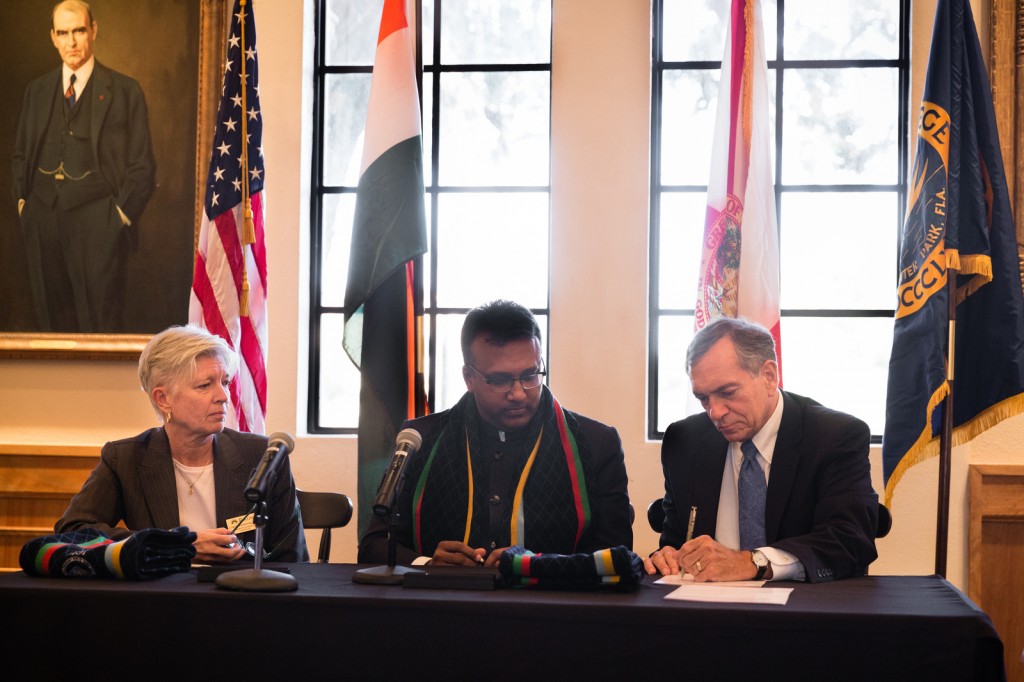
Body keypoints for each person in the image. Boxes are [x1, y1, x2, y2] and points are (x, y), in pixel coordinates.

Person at [358, 300, 632, 566]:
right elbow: (374, 545)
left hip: (552, 598)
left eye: (530, 375)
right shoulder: (418, 440)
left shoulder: (597, 443)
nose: (518, 393)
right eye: (500, 380)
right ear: (469, 378)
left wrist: (539, 566)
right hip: (444, 596)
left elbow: (618, 555)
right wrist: (428, 564)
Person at [645, 316, 878, 582]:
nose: (715, 412)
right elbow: (676, 542)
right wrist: (668, 556)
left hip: (803, 603)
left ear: (769, 376)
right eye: (703, 398)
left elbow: (850, 540)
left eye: (728, 392)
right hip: (705, 602)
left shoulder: (833, 436)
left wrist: (752, 562)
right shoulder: (685, 440)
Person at [56, 325, 308, 563]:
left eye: (225, 382)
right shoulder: (125, 458)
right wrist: (175, 545)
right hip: (161, 590)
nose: (223, 396)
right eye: (205, 385)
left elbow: (293, 557)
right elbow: (72, 531)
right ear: (163, 399)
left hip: (239, 591)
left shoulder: (263, 455)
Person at [11, 0, 156, 332]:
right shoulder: (37, 91)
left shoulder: (125, 91)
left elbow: (142, 166)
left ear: (93, 31)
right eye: (63, 33)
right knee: (48, 329)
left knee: (99, 328)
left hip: (98, 224)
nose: (71, 42)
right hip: (42, 219)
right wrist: (23, 205)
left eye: (78, 31)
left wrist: (118, 217)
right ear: (53, 37)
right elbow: (20, 155)